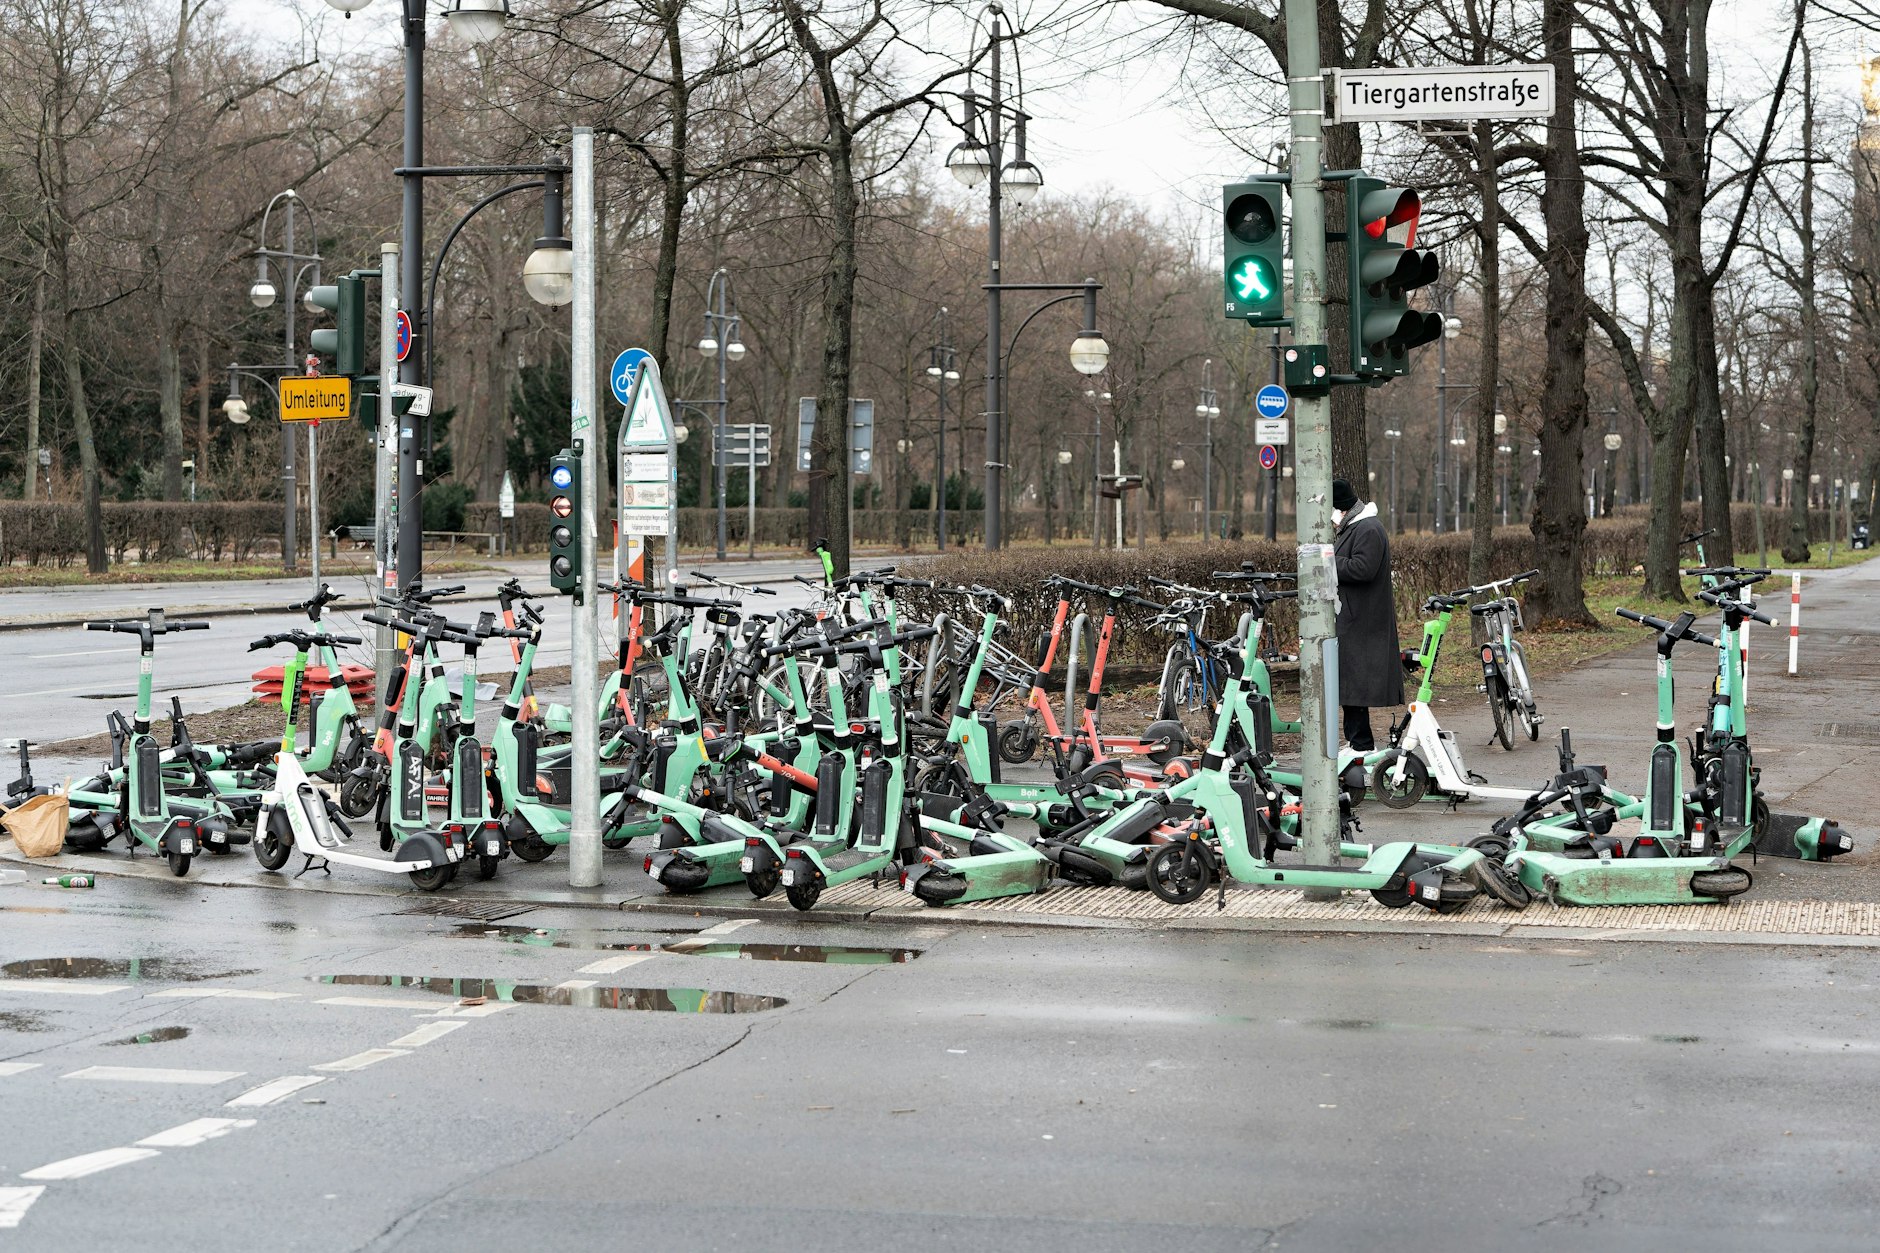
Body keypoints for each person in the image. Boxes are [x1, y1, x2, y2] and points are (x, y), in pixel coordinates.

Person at [1331, 478, 1401, 752]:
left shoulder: (1367, 528)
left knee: (1354, 684)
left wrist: (1327, 561)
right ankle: (1357, 741)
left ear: (1342, 509)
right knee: (1351, 685)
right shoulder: (1359, 527)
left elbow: (1363, 568)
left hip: (1363, 620)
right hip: (1356, 617)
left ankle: (1361, 744)